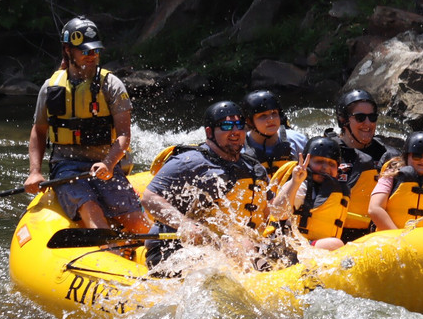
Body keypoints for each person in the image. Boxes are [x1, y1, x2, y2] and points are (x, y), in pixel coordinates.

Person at [24, 16, 148, 233]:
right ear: (68, 50)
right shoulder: (50, 88)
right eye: (85, 51)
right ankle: (110, 252)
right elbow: (39, 131)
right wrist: (35, 172)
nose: (92, 56)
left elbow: (124, 135)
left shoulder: (111, 85)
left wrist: (109, 163)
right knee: (90, 208)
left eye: (96, 51)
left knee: (136, 220)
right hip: (67, 166)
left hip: (106, 163)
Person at [140, 100, 272, 272]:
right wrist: (184, 225)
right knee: (234, 245)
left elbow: (271, 211)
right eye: (226, 126)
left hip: (233, 245)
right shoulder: (189, 161)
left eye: (239, 125)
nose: (235, 131)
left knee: (241, 242)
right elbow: (149, 198)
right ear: (209, 132)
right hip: (174, 248)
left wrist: (295, 183)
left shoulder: (254, 168)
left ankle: (257, 272)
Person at [270, 134, 350, 251]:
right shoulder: (300, 185)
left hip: (311, 248)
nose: (325, 168)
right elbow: (277, 213)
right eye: (319, 161)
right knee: (335, 244)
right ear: (306, 163)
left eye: (331, 164)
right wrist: (295, 182)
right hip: (287, 248)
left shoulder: (337, 191)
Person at [331, 88, 391, 241]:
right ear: (343, 120)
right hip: (334, 236)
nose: (368, 123)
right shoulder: (327, 153)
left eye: (372, 117)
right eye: (360, 118)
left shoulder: (387, 155)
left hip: (375, 235)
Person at [239, 89, 309, 175]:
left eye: (274, 113)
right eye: (263, 116)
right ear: (249, 121)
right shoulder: (239, 149)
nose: (271, 119)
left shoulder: (298, 140)